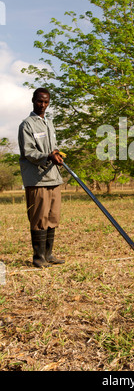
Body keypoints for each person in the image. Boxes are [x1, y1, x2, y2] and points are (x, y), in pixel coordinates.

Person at [18, 88, 65, 268]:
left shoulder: (49, 123)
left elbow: (52, 147)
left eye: (46, 102)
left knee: (53, 216)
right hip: (36, 179)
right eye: (39, 101)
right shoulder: (27, 125)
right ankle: (38, 258)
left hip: (53, 177)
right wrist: (48, 156)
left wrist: (56, 154)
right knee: (39, 218)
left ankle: (48, 254)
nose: (43, 105)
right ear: (33, 100)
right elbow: (29, 152)